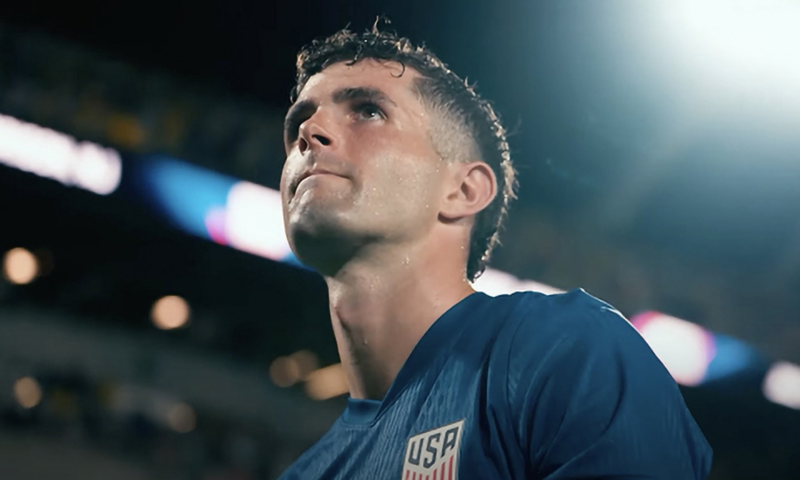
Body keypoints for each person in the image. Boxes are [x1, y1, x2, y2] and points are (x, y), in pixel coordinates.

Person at [278, 24, 712, 480]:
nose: (310, 130)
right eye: (298, 124)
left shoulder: (570, 350)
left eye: (367, 111)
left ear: (463, 190)